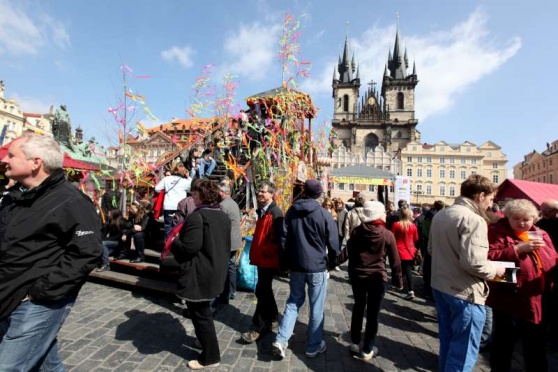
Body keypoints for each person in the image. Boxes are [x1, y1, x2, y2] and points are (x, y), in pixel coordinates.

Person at [0, 133, 103, 370]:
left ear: (36, 162)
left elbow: (87, 252)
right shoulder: (14, 197)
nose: (6, 159)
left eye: (12, 155)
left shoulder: (71, 201)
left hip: (35, 302)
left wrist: (40, 292)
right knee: (45, 363)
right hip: (8, 293)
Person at [428, 174, 506, 372]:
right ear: (481, 195)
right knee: (463, 352)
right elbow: (474, 263)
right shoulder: (474, 219)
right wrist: (495, 269)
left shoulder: (442, 213)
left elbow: (430, 249)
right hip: (464, 292)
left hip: (441, 285)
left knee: (448, 342)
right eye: (490, 199)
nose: (490, 204)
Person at [271, 179, 340, 360]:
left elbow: (284, 239)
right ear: (318, 195)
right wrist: (332, 263)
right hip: (317, 266)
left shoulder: (292, 212)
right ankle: (313, 345)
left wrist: (286, 260)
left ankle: (281, 339)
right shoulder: (324, 214)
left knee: (294, 301)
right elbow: (334, 243)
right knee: (316, 306)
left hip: (297, 265)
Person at [487, 199, 557, 371]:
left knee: (535, 344)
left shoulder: (541, 233)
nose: (521, 222)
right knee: (504, 343)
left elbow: (553, 257)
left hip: (538, 297)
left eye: (526, 219)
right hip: (509, 298)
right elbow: (489, 259)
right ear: (508, 217)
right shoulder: (497, 232)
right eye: (516, 218)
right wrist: (517, 250)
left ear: (534, 219)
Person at [171, 179, 231, 370]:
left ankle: (210, 356)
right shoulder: (220, 214)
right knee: (202, 311)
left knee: (200, 313)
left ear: (203, 195)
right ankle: (203, 341)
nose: (192, 196)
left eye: (195, 194)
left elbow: (189, 248)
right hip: (214, 269)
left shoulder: (198, 217)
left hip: (200, 273)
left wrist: (174, 241)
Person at [335, 201, 403, 360]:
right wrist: (398, 281)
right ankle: (367, 349)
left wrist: (331, 264)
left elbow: (346, 253)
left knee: (358, 308)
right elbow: (395, 261)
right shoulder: (387, 234)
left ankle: (355, 342)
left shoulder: (357, 231)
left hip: (358, 276)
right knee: (373, 314)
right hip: (378, 278)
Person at [241, 181, 283, 343]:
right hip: (261, 258)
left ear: (271, 194)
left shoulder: (275, 212)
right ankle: (272, 318)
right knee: (264, 290)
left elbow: (278, 239)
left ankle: (257, 327)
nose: (260, 194)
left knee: (262, 291)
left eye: (263, 192)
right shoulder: (263, 211)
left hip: (268, 259)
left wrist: (266, 252)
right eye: (258, 191)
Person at [216, 180, 243, 303]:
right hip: (235, 239)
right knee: (231, 266)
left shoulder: (223, 205)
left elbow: (221, 224)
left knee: (225, 266)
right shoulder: (233, 203)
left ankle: (226, 292)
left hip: (228, 240)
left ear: (222, 193)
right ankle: (232, 290)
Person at [154, 163, 192, 240]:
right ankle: (176, 243)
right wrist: (188, 177)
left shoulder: (166, 179)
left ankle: (167, 245)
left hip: (168, 205)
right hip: (180, 206)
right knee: (178, 225)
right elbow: (192, 187)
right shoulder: (185, 181)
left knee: (168, 225)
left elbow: (157, 189)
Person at [391, 205, 419, 300]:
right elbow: (416, 238)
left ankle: (410, 291)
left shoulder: (396, 225)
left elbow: (392, 238)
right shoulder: (413, 226)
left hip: (399, 250)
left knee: (404, 271)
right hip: (410, 251)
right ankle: (396, 284)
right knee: (405, 270)